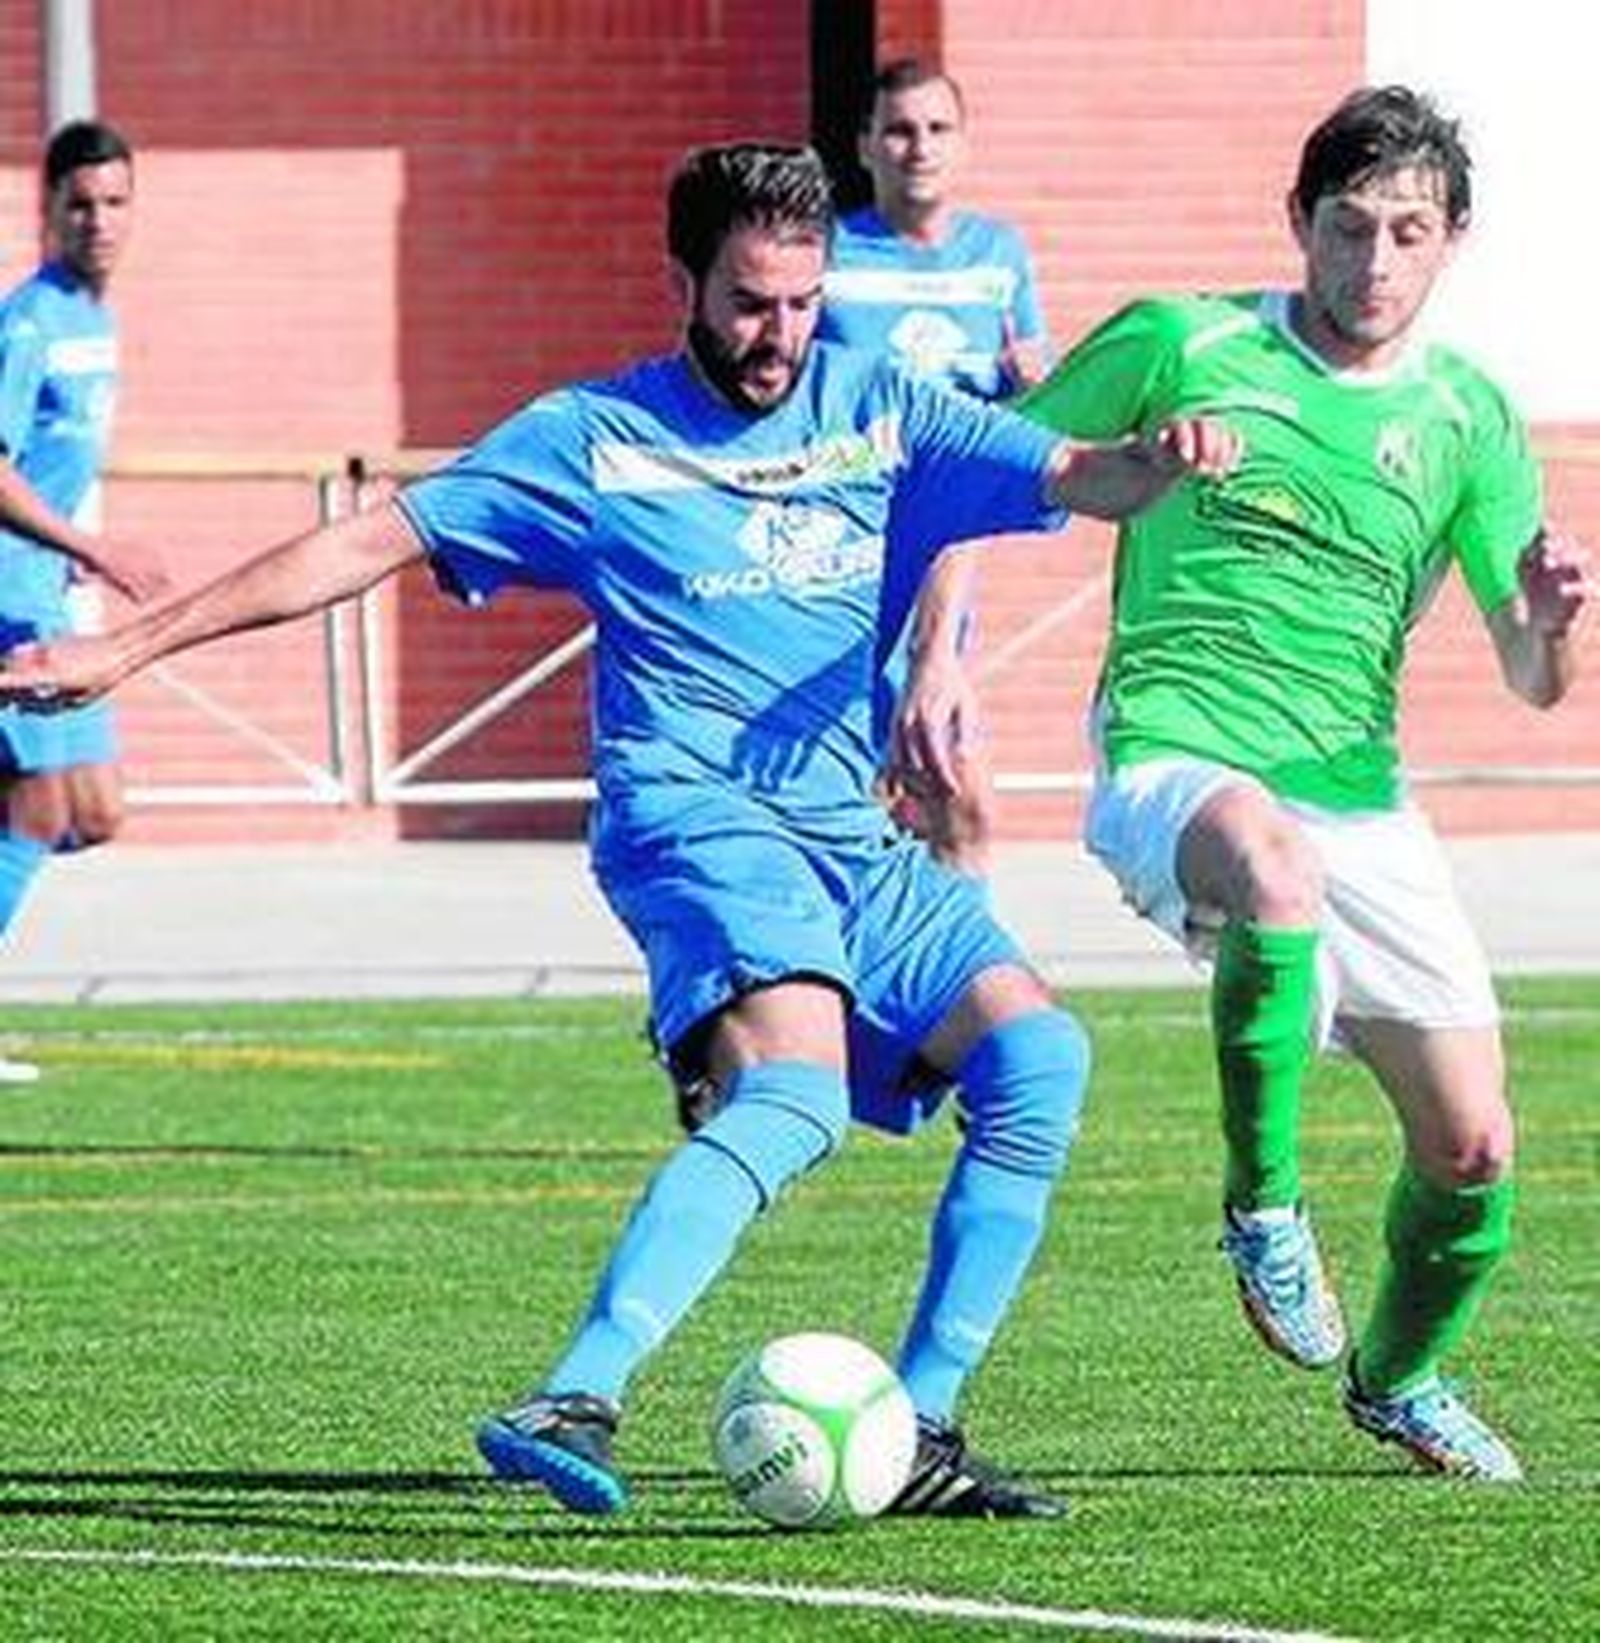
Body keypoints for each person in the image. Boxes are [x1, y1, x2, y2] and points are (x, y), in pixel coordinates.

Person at [0, 142, 1234, 1518]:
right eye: (752, 302)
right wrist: (133, 646)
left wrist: (1160, 459)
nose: (780, 335)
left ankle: (925, 1421)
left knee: (1041, 1060)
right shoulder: (595, 438)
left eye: (805, 303)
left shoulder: (882, 405)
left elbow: (1079, 473)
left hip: (848, 827)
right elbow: (360, 545)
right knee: (797, 1094)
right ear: (686, 283)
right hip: (693, 817)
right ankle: (576, 1386)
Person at [973, 85, 1589, 1481]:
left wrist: (1553, 619)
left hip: (1362, 797)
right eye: (1349, 226)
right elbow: (994, 469)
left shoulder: (1468, 417)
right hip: (1177, 754)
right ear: (1296, 221)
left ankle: (1401, 1374)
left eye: (1408, 233)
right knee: (1269, 864)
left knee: (1477, 1146)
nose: (1374, 263)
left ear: (1453, 243)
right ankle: (1264, 1205)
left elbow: (1529, 674)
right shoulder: (1179, 340)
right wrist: (943, 656)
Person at [819, 58, 1052, 876]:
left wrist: (1043, 393)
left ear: (964, 144)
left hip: (946, 558)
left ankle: (956, 989)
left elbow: (1029, 396)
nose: (919, 147)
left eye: (937, 129)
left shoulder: (999, 255)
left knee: (957, 801)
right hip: (837, 563)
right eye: (899, 129)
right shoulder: (826, 255)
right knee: (850, 805)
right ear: (864, 146)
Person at [0, 119, 165, 1081]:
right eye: (80, 204)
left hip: (42, 594)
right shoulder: (28, 324)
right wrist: (88, 545)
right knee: (36, 807)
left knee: (94, 810)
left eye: (114, 203)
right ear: (49, 211)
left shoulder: (92, 319)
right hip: (11, 603)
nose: (98, 221)